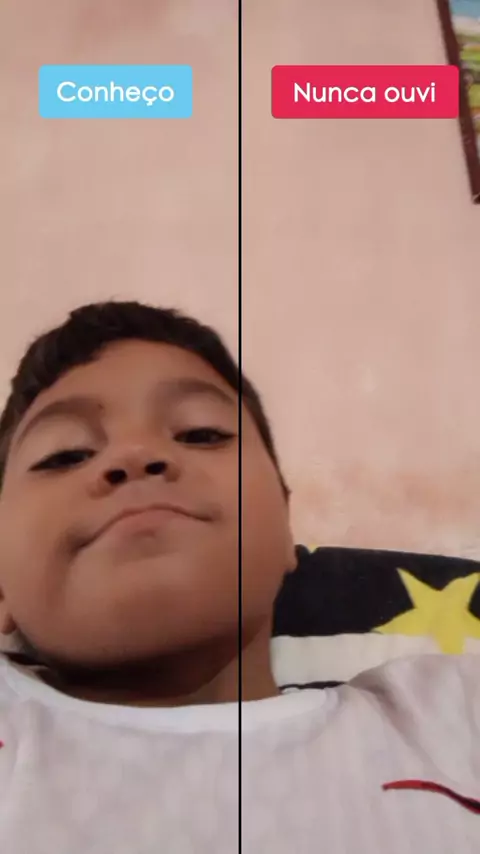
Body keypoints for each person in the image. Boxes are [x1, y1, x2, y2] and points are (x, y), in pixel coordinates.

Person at [0, 300, 477, 853]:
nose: (135, 454)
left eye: (201, 433)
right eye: (65, 454)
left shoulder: (452, 718)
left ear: (286, 527)